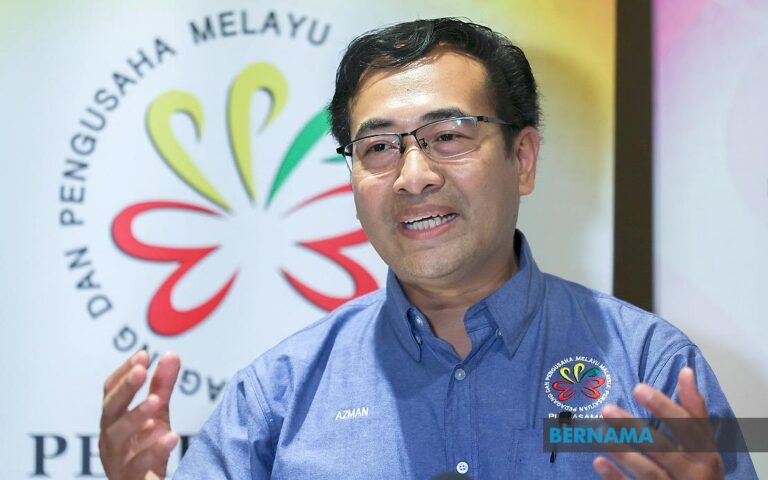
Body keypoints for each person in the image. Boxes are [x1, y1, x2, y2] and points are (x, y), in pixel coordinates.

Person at [99, 18, 756, 479]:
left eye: (448, 136)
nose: (414, 176)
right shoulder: (276, 396)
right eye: (379, 147)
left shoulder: (654, 368)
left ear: (523, 159)